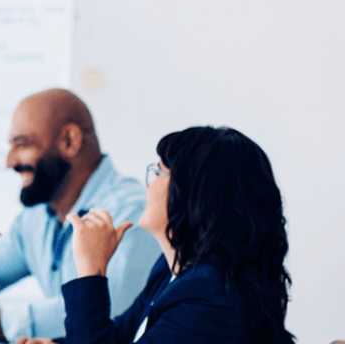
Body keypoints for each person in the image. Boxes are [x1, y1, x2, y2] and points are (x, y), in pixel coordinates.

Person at [16, 126, 295, 343]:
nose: (148, 184)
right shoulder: (170, 270)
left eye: (159, 172)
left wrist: (91, 271)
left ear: (193, 195)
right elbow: (121, 335)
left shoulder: (209, 298)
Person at [0, 89, 161, 342]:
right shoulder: (37, 217)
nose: (9, 161)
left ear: (69, 141)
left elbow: (108, 306)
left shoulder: (131, 213)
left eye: (22, 144)